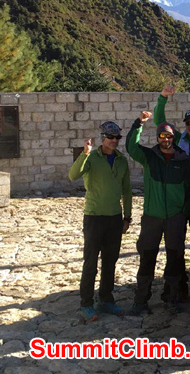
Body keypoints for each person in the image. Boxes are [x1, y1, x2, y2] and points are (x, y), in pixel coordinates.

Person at [126, 111, 190, 315]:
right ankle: (141, 300)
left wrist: (183, 211)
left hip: (174, 217)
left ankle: (171, 297)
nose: (166, 139)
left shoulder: (183, 159)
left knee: (174, 257)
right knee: (147, 257)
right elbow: (131, 147)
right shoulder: (149, 156)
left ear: (174, 138)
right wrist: (138, 123)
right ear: (157, 138)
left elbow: (189, 188)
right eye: (163, 136)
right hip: (152, 217)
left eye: (170, 136)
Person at [69, 121, 132, 322]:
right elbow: (73, 175)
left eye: (117, 138)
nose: (114, 141)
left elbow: (127, 190)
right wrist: (84, 153)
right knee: (90, 263)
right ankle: (86, 303)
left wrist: (127, 217)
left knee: (110, 262)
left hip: (114, 217)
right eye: (110, 137)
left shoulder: (122, 161)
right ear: (102, 138)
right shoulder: (91, 158)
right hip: (94, 216)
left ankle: (106, 299)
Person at [154, 85, 190, 298]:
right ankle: (177, 288)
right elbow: (160, 121)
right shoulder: (179, 140)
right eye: (188, 123)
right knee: (175, 247)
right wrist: (163, 98)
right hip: (178, 202)